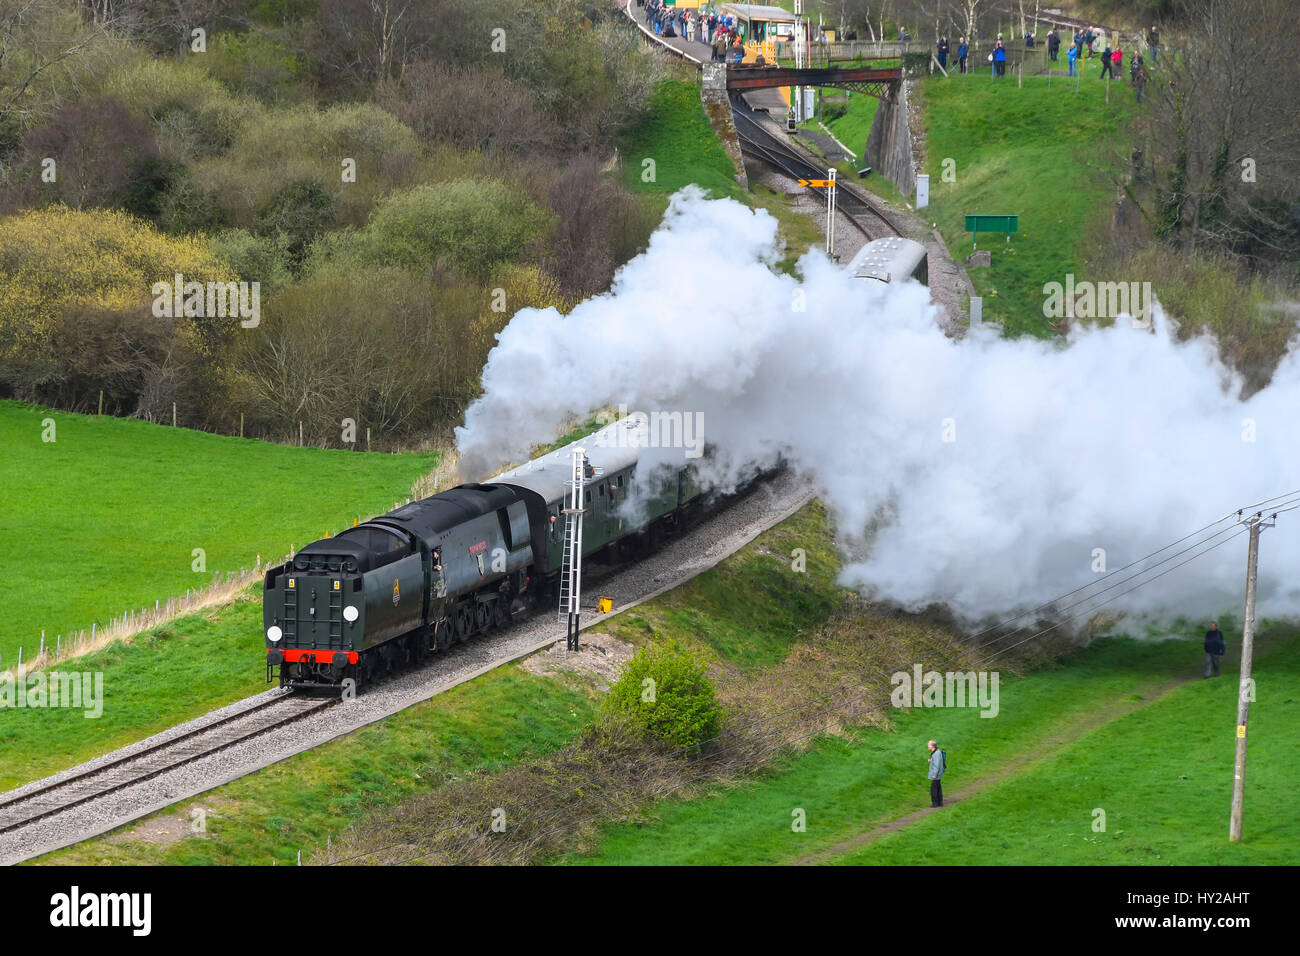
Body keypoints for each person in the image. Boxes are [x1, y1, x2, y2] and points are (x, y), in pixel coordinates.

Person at [927, 740, 947, 807]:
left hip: (936, 775)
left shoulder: (936, 753)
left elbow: (937, 765)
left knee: (933, 789)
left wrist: (934, 775)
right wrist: (931, 760)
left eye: (929, 745)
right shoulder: (936, 752)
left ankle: (935, 803)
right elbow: (936, 762)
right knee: (938, 788)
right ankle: (940, 803)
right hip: (937, 774)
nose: (928, 746)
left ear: (932, 746)